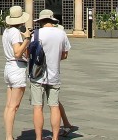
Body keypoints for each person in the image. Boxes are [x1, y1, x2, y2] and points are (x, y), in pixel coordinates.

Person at [29, 9, 70, 140]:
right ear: (52, 20)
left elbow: (28, 54)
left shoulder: (35, 34)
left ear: (40, 21)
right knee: (54, 106)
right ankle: (55, 137)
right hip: (54, 75)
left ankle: (38, 137)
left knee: (37, 107)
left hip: (37, 75)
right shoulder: (61, 33)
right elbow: (64, 55)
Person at [1, 6, 31, 140]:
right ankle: (8, 137)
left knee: (9, 106)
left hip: (8, 67)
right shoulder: (14, 32)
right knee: (14, 106)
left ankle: (8, 135)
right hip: (17, 68)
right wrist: (27, 40)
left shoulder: (6, 32)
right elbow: (18, 53)